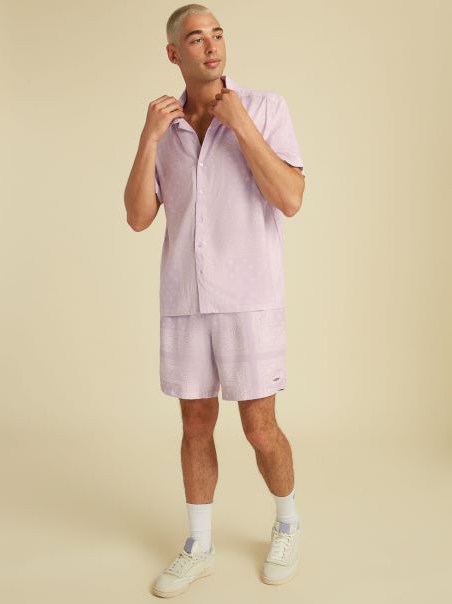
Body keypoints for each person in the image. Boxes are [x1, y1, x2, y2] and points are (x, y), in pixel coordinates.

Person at [124, 3, 306, 597]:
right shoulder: (166, 126)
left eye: (218, 35)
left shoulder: (264, 108)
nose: (211, 46)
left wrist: (242, 125)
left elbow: (291, 198)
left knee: (259, 427)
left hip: (249, 297)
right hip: (185, 298)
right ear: (174, 53)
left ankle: (288, 524)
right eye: (197, 38)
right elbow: (138, 217)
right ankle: (199, 545)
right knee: (195, 424)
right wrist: (148, 138)